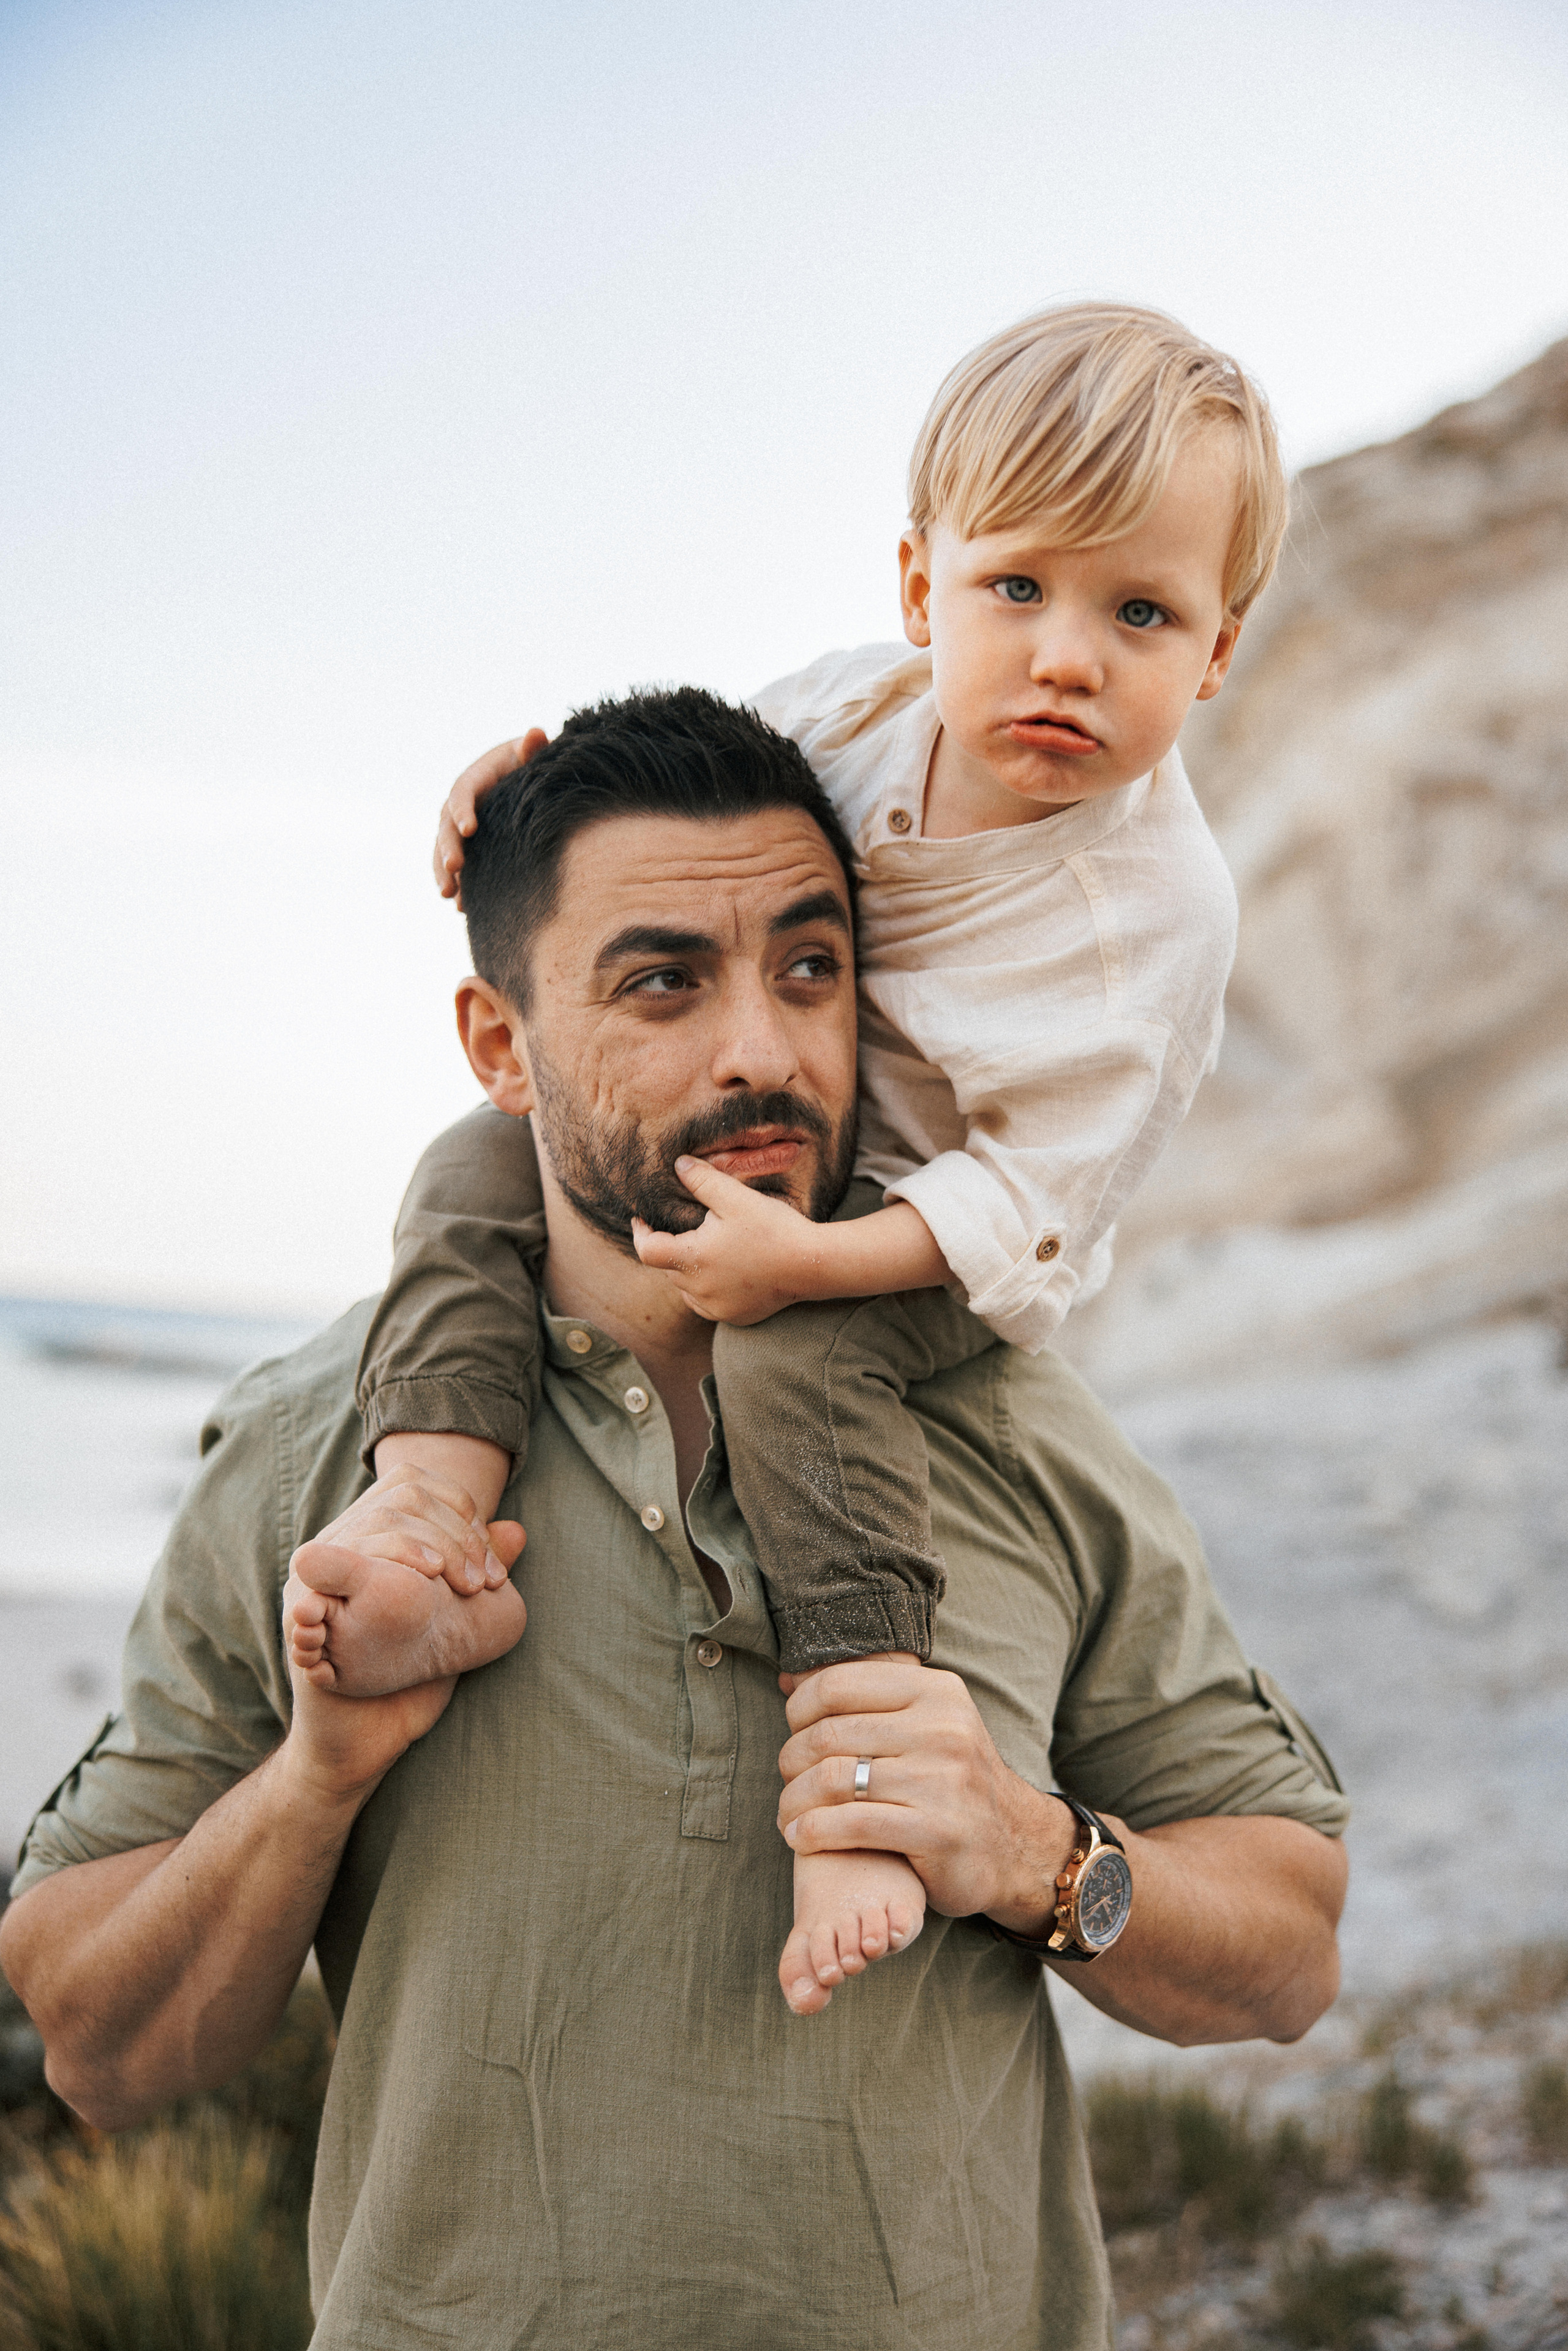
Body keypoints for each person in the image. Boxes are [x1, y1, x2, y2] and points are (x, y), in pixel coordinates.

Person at [1, 689, 1348, 2350]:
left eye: (810, 967)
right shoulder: (316, 1453)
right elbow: (100, 2044)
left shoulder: (1017, 1423)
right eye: (662, 984)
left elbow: (1288, 1943)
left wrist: (1034, 1854)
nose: (764, 1052)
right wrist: (322, 1771)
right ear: (501, 1047)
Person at [354, 301, 1284, 2008]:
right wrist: (528, 778)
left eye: (1140, 612)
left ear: (1216, 655)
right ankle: (430, 1496)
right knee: (463, 1175)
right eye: (1018, 589)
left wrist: (815, 1265)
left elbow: (1033, 1199)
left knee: (793, 1369)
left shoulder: (1153, 915)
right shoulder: (864, 709)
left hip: (932, 1239)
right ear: (924, 590)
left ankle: (856, 1760)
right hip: (787, 1141)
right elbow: (691, 783)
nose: (1067, 656)